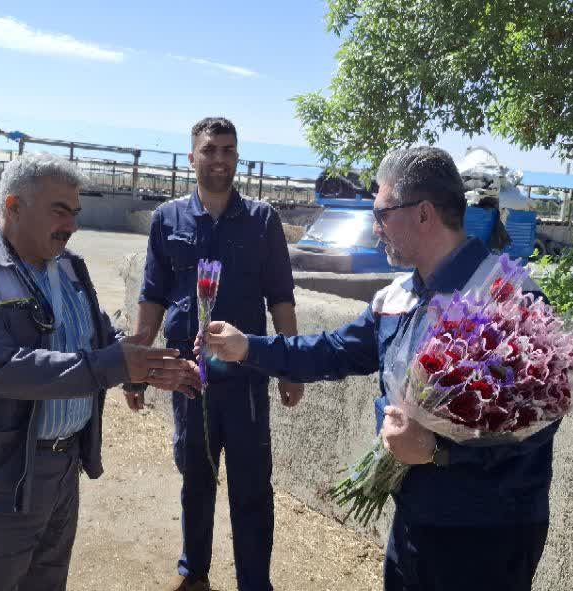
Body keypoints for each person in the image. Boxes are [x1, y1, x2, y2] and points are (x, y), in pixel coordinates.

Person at [201, 147, 554, 591]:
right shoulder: (397, 297)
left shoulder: (507, 296)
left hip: (487, 533)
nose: (375, 227)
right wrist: (247, 348)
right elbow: (334, 350)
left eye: (382, 213)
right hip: (414, 520)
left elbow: (538, 423)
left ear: (423, 214)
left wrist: (437, 451)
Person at [0, 153, 201, 591]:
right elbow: (2, 369)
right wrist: (115, 364)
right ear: (13, 206)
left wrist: (144, 367)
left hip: (61, 470)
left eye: (75, 212)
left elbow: (97, 337)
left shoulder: (69, 266)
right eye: (59, 211)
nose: (72, 224)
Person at [124, 116, 301, 591]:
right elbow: (152, 298)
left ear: (237, 157)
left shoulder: (262, 221)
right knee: (195, 480)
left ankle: (254, 583)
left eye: (227, 150)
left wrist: (290, 366)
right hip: (188, 378)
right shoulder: (167, 220)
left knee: (252, 489)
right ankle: (194, 573)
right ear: (192, 158)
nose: (219, 159)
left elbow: (280, 298)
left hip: (246, 380)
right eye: (209, 150)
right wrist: (136, 367)